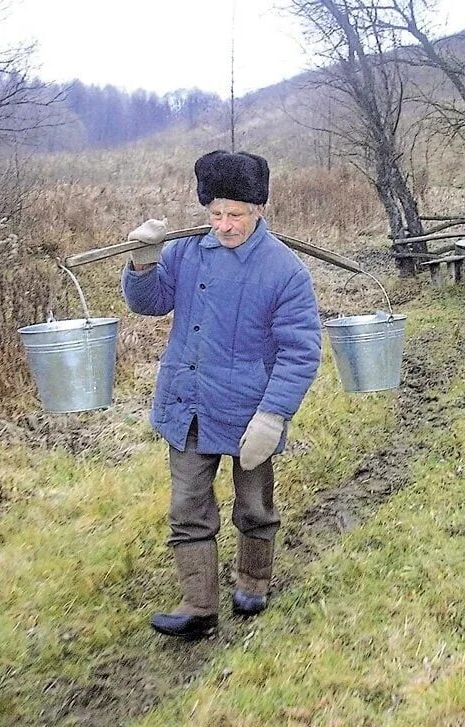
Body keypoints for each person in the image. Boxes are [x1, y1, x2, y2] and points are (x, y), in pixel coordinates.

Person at [121, 150, 322, 640]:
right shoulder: (188, 253)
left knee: (253, 507)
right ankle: (199, 605)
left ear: (258, 210)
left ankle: (253, 580)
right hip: (187, 404)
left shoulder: (284, 270)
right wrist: (143, 261)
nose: (225, 225)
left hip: (249, 412)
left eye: (236, 214)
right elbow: (148, 304)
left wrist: (273, 416)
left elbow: (301, 351)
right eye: (216, 214)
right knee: (188, 509)